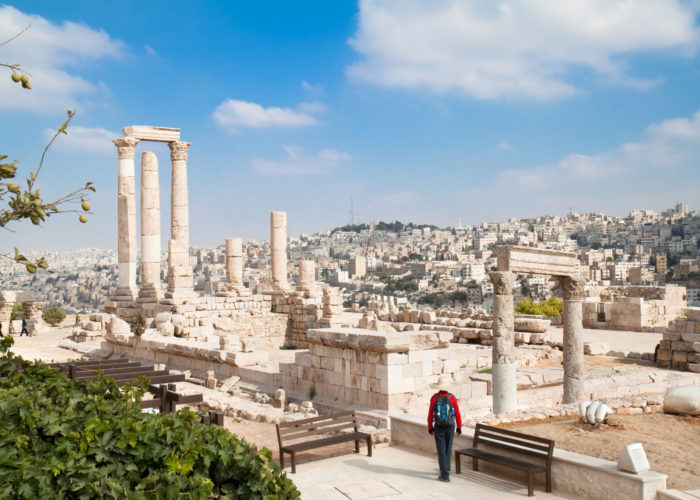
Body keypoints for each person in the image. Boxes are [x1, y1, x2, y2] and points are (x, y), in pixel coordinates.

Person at [428, 375, 462, 482]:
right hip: (450, 426)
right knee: (448, 448)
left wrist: (430, 427)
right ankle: (447, 468)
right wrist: (459, 427)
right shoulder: (451, 397)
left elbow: (430, 414)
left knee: (441, 450)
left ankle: (444, 475)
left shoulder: (434, 398)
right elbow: (457, 413)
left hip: (439, 427)